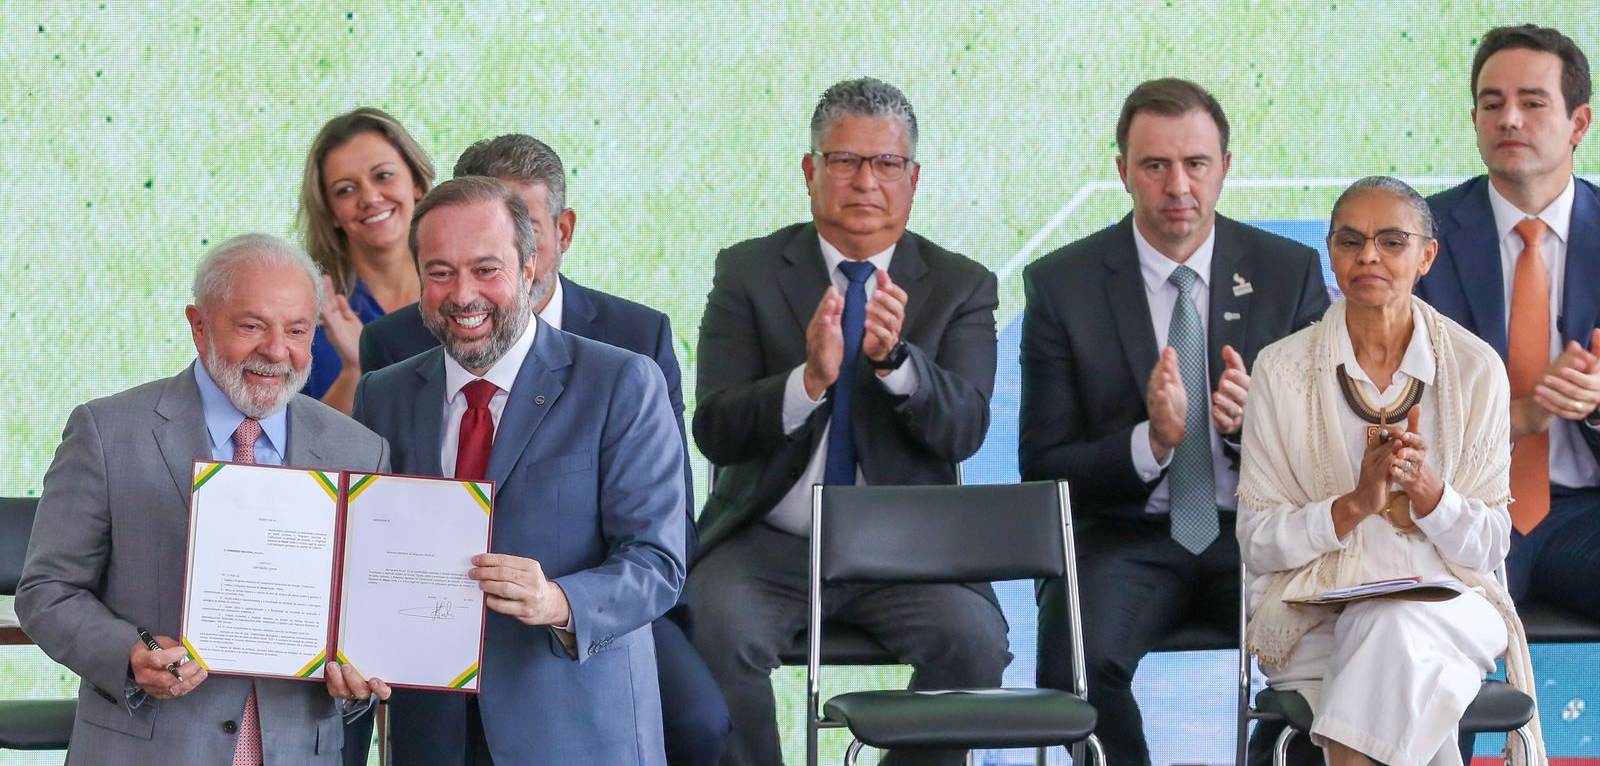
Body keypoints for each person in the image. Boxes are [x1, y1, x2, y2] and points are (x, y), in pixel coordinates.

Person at [353, 134, 728, 766]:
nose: (462, 294)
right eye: (440, 272)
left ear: (530, 268)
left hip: (571, 721)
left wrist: (558, 601)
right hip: (431, 727)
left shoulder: (621, 382)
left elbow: (658, 561)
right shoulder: (383, 394)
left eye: (486, 269)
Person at [689, 76, 1010, 766]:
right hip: (767, 542)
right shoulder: (748, 272)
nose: (866, 181)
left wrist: (898, 364)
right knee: (711, 631)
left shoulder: (961, 285)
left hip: (907, 550)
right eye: (845, 160)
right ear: (811, 172)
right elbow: (714, 427)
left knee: (975, 645)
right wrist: (807, 381)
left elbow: (964, 429)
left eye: (886, 163)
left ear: (913, 179)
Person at [1019, 77, 1329, 765]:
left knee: (1340, 648)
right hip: (1121, 538)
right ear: (1122, 171)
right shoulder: (1062, 285)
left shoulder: (1289, 273)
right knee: (1077, 666)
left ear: (1225, 167)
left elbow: (1326, 449)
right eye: (1155, 165)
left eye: (1196, 163)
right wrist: (1151, 442)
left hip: (1258, 535)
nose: (1178, 185)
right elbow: (1042, 466)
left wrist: (1252, 430)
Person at [16, 234, 390, 764]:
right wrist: (129, 655)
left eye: (297, 330)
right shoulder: (106, 431)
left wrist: (360, 679)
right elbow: (46, 591)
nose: (276, 351)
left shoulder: (360, 450)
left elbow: (369, 614)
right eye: (252, 326)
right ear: (198, 324)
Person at [1238, 176, 1546, 766]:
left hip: (1449, 610)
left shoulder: (1476, 368)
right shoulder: (1279, 370)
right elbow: (1257, 542)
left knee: (1392, 629)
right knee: (1391, 644)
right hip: (1318, 615)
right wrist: (1354, 505)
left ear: (1426, 256)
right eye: (1351, 241)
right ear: (1331, 252)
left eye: (1392, 241)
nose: (1369, 256)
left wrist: (1430, 496)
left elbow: (1489, 545)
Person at [1418, 24, 1600, 617]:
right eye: (1492, 105)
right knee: (1416, 621)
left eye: (1533, 103)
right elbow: (1384, 402)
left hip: (1588, 511)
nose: (1510, 119)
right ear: (1475, 120)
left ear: (1579, 123)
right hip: (1460, 508)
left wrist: (1596, 403)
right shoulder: (1417, 240)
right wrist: (1517, 415)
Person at [298, 106, 435, 413]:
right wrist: (354, 370)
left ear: (416, 182)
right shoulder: (308, 320)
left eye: (383, 176)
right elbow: (300, 440)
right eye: (345, 190)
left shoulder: (467, 296)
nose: (370, 198)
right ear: (330, 211)